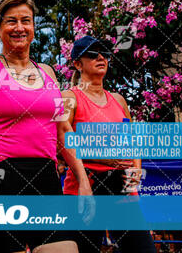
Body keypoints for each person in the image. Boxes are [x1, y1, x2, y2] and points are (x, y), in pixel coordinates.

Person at [0, 0, 93, 253]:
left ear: (33, 27)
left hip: (45, 176)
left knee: (65, 249)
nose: (19, 28)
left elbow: (63, 129)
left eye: (26, 21)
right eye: (11, 21)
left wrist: (83, 180)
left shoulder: (48, 73)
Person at [62, 35, 156, 253]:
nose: (101, 57)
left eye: (104, 53)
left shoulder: (119, 99)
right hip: (85, 185)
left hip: (121, 187)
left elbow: (132, 142)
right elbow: (60, 144)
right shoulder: (67, 97)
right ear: (77, 63)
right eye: (93, 54)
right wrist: (102, 157)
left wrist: (136, 169)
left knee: (143, 249)